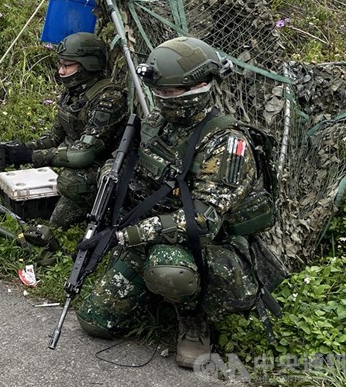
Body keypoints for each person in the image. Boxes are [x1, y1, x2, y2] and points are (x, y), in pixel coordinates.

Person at [75, 36, 272, 368]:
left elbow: (206, 221)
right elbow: (130, 162)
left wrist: (135, 233)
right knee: (95, 322)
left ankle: (193, 320)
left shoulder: (226, 143)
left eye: (170, 93)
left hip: (206, 247)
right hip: (148, 231)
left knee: (169, 270)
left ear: (201, 86)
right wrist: (112, 171)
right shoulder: (158, 122)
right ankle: (153, 291)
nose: (162, 100)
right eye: (159, 93)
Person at [6, 32, 128, 231]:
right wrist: (15, 150)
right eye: (61, 64)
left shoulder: (109, 99)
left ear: (88, 65)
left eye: (67, 65)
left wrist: (32, 156)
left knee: (69, 182)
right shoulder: (74, 93)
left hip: (105, 169)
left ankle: (111, 215)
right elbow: (54, 137)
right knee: (56, 223)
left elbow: (83, 155)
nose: (61, 72)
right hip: (80, 165)